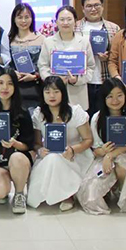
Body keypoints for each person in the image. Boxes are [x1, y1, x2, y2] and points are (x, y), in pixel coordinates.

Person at [27, 76, 94, 212]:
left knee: (56, 159)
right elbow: (37, 143)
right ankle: (58, 193)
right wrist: (40, 150)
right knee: (52, 158)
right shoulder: (39, 114)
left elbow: (88, 140)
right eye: (47, 92)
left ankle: (66, 195)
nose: (52, 96)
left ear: (63, 93)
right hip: (49, 155)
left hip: (75, 155)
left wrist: (73, 150)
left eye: (56, 92)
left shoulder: (75, 112)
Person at [77, 78, 126, 215]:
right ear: (104, 98)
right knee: (90, 193)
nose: (115, 100)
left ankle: (121, 194)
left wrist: (110, 155)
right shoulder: (97, 118)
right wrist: (103, 152)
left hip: (125, 154)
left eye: (119, 95)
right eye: (110, 96)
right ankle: (107, 191)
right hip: (103, 157)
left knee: (123, 168)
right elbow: (96, 150)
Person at [0, 68, 35, 214]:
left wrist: (14, 144)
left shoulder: (22, 113)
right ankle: (4, 185)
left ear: (15, 87)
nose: (5, 87)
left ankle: (19, 194)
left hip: (18, 160)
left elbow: (28, 145)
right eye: (0, 83)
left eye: (10, 83)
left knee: (17, 157)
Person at [38, 6, 96, 110]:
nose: (65, 23)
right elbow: (42, 66)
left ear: (75, 21)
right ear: (56, 22)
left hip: (77, 94)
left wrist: (76, 80)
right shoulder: (48, 42)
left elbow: (91, 67)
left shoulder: (84, 42)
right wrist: (54, 80)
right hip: (54, 93)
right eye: (62, 19)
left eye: (69, 19)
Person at [75, 0, 121, 118]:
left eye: (97, 5)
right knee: (83, 117)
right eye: (89, 6)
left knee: (103, 117)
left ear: (102, 6)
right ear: (83, 9)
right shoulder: (74, 27)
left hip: (105, 80)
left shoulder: (114, 28)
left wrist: (108, 57)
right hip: (82, 83)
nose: (93, 9)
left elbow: (118, 56)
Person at [7, 3, 46, 114]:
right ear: (14, 19)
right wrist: (12, 73)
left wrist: (35, 76)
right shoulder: (9, 40)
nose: (23, 21)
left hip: (36, 88)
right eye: (20, 17)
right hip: (14, 87)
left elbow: (45, 64)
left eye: (27, 17)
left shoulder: (41, 39)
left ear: (32, 19)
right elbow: (5, 64)